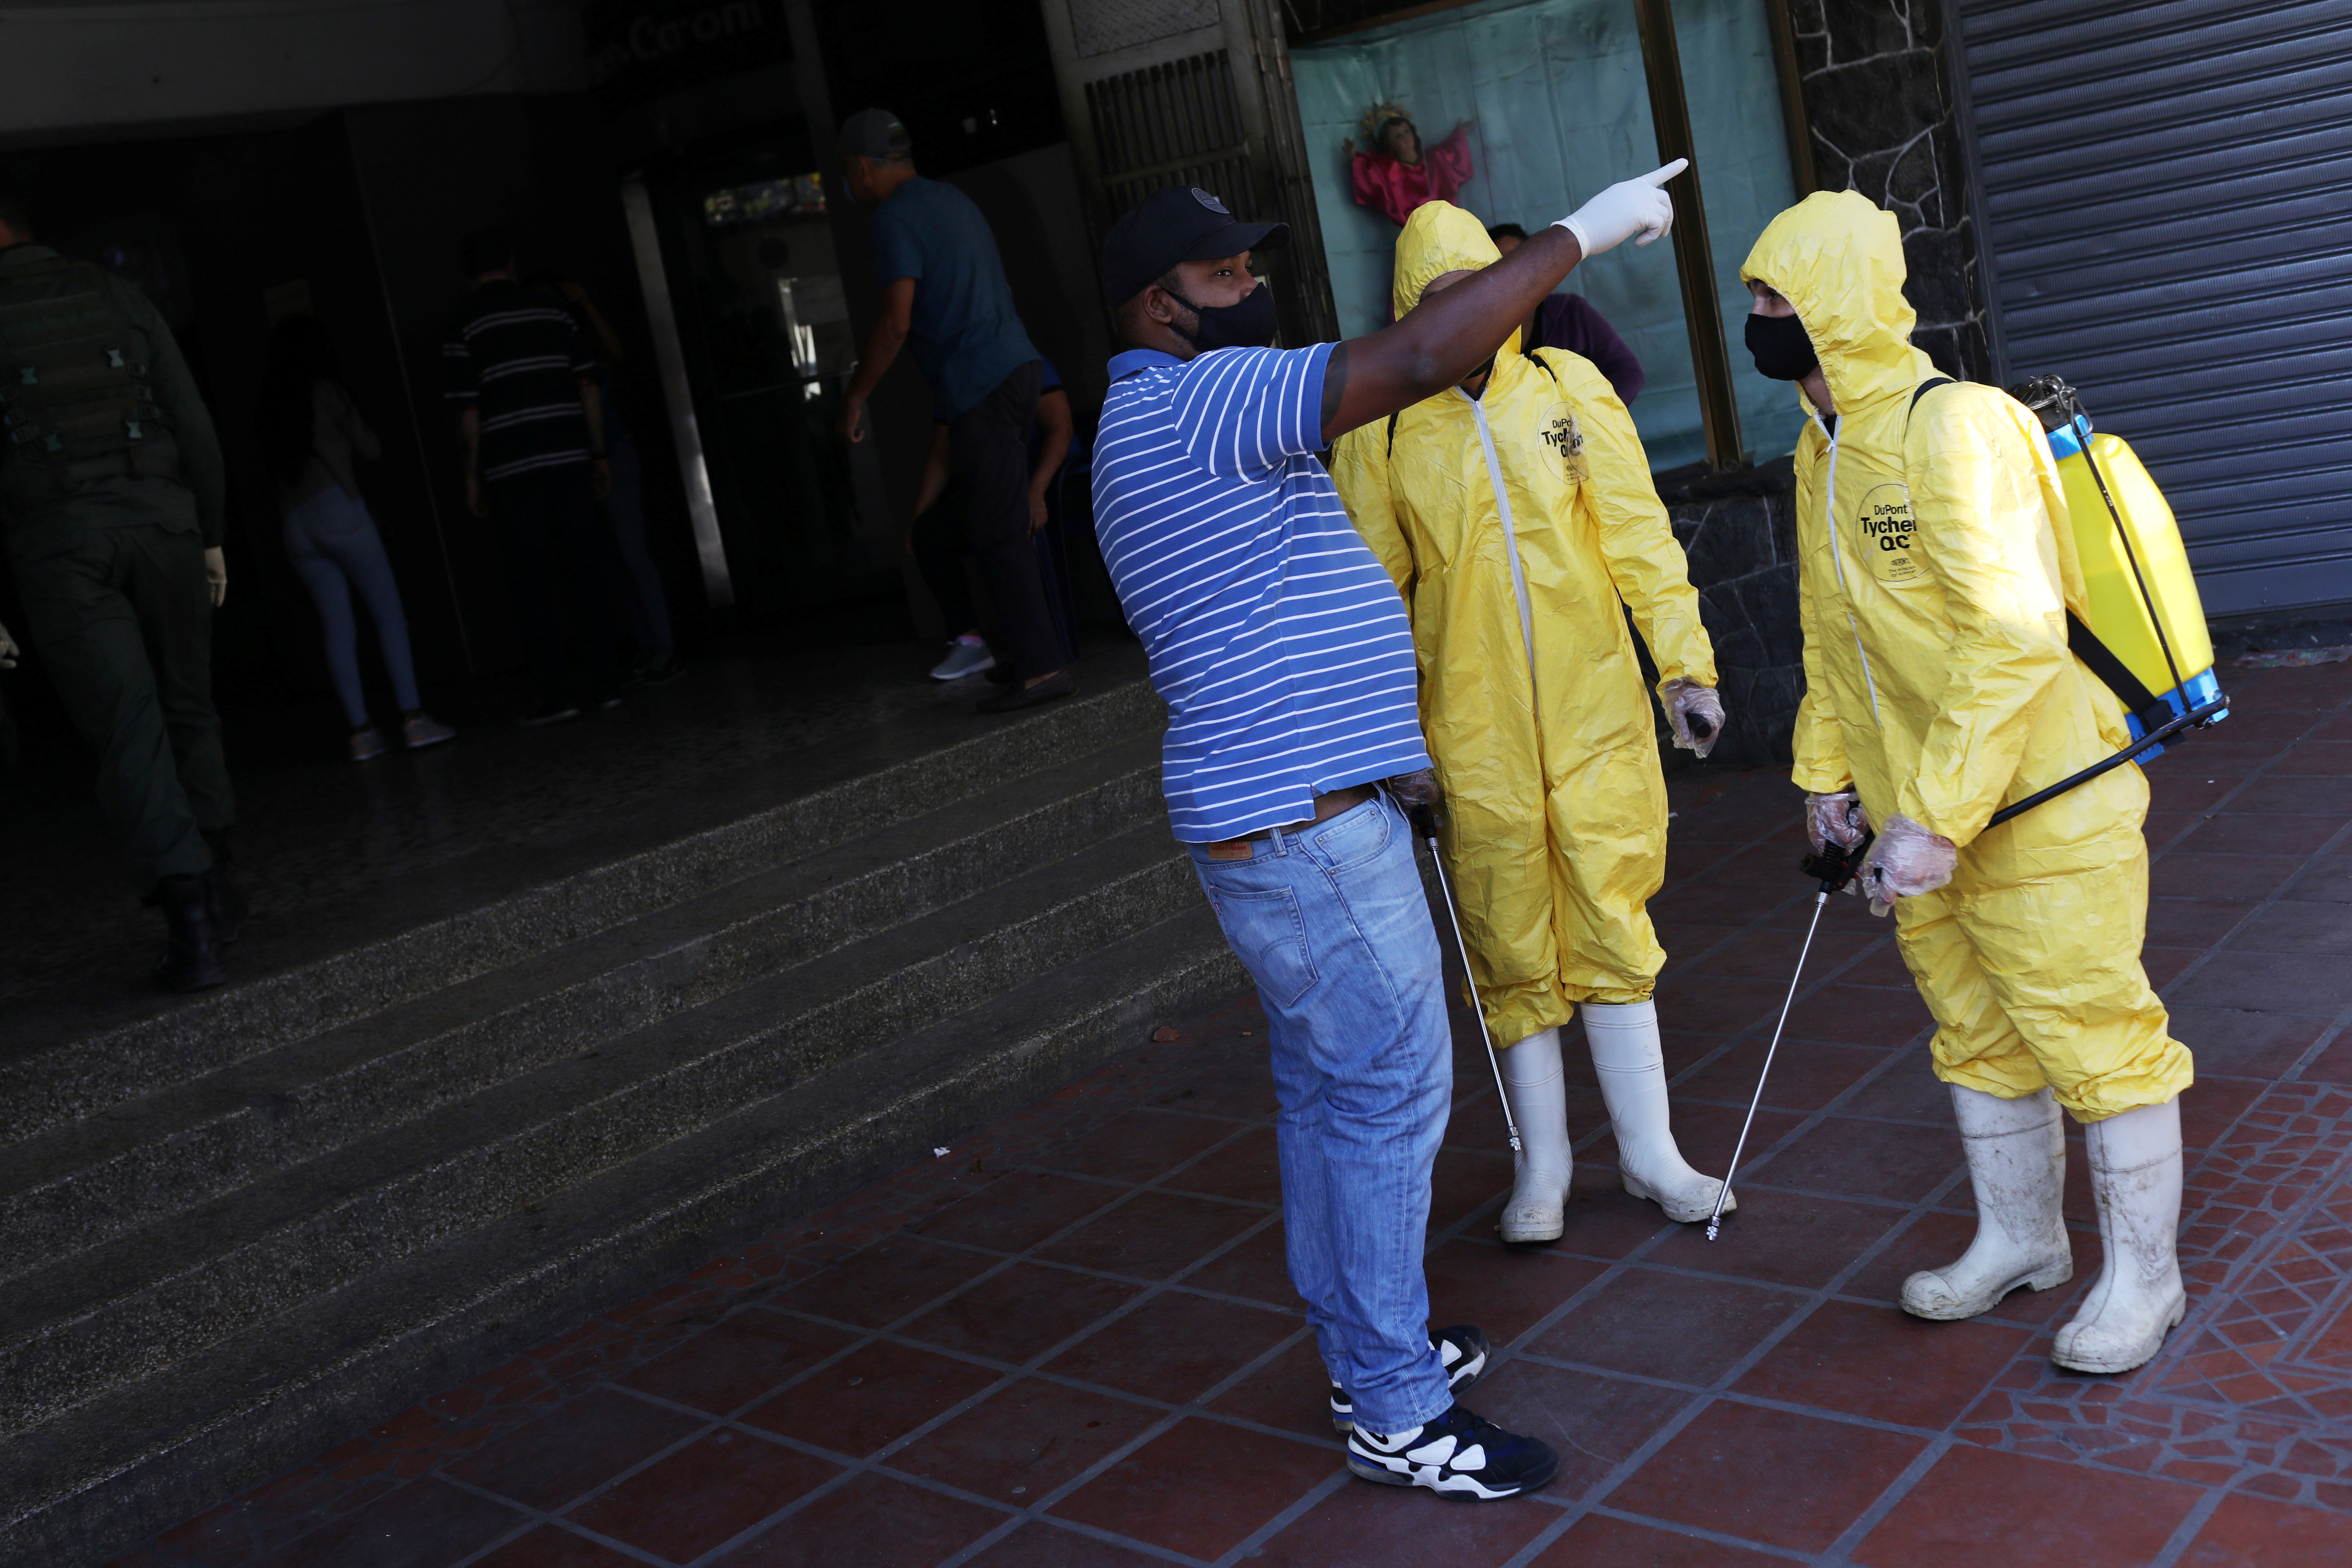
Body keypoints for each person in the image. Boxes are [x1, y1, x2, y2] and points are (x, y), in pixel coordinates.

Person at [1091, 164, 1685, 1499]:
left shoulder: (1149, 422)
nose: (1252, 288)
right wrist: (1579, 233)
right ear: (1157, 307)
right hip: (1304, 836)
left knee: (1326, 1098)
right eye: (1223, 276)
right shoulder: (1194, 406)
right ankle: (1398, 1412)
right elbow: (1423, 351)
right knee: (1385, 1102)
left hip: (1288, 815)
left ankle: (1373, 1350)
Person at [1742, 189, 2194, 1376]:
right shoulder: (1819, 443)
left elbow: (2013, 636)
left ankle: (2145, 1281)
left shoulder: (1953, 426)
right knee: (1973, 1028)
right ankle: (2021, 1238)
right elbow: (1828, 636)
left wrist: (1932, 818)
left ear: (1835, 301)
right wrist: (1824, 778)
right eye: (1750, 301)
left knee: (2094, 1034)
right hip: (1918, 818)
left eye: (1774, 299)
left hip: (2039, 801)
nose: (1758, 321)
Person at [1331, 203, 1729, 1244]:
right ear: (1407, 311)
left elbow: (1640, 536)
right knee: (1508, 933)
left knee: (1609, 911)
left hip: (1592, 703)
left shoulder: (1566, 389)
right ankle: (1542, 1166)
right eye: (1434, 301)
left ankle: (1651, 1154)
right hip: (1469, 728)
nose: (1460, 314)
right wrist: (1389, 738)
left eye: (1473, 288)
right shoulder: (1377, 432)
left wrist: (1683, 665)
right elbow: (1371, 595)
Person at [0, 193, 243, 991]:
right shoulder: (117, 294)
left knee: (130, 727)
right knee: (187, 705)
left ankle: (195, 933)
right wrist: (207, 530)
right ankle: (225, 889)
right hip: (166, 525)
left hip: (65, 545)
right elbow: (192, 421)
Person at [832, 107, 1071, 713]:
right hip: (1016, 367)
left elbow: (895, 322)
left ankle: (1042, 670)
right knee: (986, 519)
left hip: (982, 381)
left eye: (847, 173)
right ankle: (1024, 654)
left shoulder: (892, 218)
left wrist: (857, 394)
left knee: (998, 529)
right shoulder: (955, 201)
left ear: (860, 168)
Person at [444, 227, 628, 727]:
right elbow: (587, 386)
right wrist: (598, 454)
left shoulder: (463, 325)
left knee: (534, 585)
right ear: (511, 263)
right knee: (586, 572)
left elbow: (468, 415)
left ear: (467, 274)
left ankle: (559, 695)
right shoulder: (553, 312)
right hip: (569, 460)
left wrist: (471, 478)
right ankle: (608, 684)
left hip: (511, 471)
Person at [257, 315, 455, 761]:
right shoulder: (325, 391)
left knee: (337, 628)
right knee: (388, 616)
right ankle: (413, 720)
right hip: (339, 510)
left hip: (295, 524)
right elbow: (371, 448)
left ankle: (362, 733)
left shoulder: (271, 404)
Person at [525, 272, 682, 686]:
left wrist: (588, 304)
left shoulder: (572, 346)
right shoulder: (560, 348)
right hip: (594, 456)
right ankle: (652, 647)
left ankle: (662, 648)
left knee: (630, 554)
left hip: (609, 453)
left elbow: (614, 356)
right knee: (619, 558)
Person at [909, 357, 1081, 680]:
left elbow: (1061, 429)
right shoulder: (955, 377)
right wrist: (918, 518)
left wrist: (1036, 491)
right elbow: (940, 457)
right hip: (999, 488)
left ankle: (1041, 659)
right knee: (930, 532)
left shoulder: (1027, 364)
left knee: (1001, 527)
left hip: (1048, 483)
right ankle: (970, 642)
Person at [1485, 223, 1645, 403]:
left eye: (1519, 260)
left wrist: (1588, 420)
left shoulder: (1571, 311)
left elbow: (1628, 372)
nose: (1512, 272)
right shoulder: (1476, 331)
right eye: (1499, 265)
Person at [1348, 105, 1474, 228]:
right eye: (1398, 136)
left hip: (1449, 224)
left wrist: (1460, 134)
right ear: (1390, 145)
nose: (1405, 137)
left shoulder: (1434, 158)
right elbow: (1371, 174)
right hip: (1419, 232)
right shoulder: (1391, 172)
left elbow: (1451, 152)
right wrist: (1354, 157)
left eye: (1407, 131)